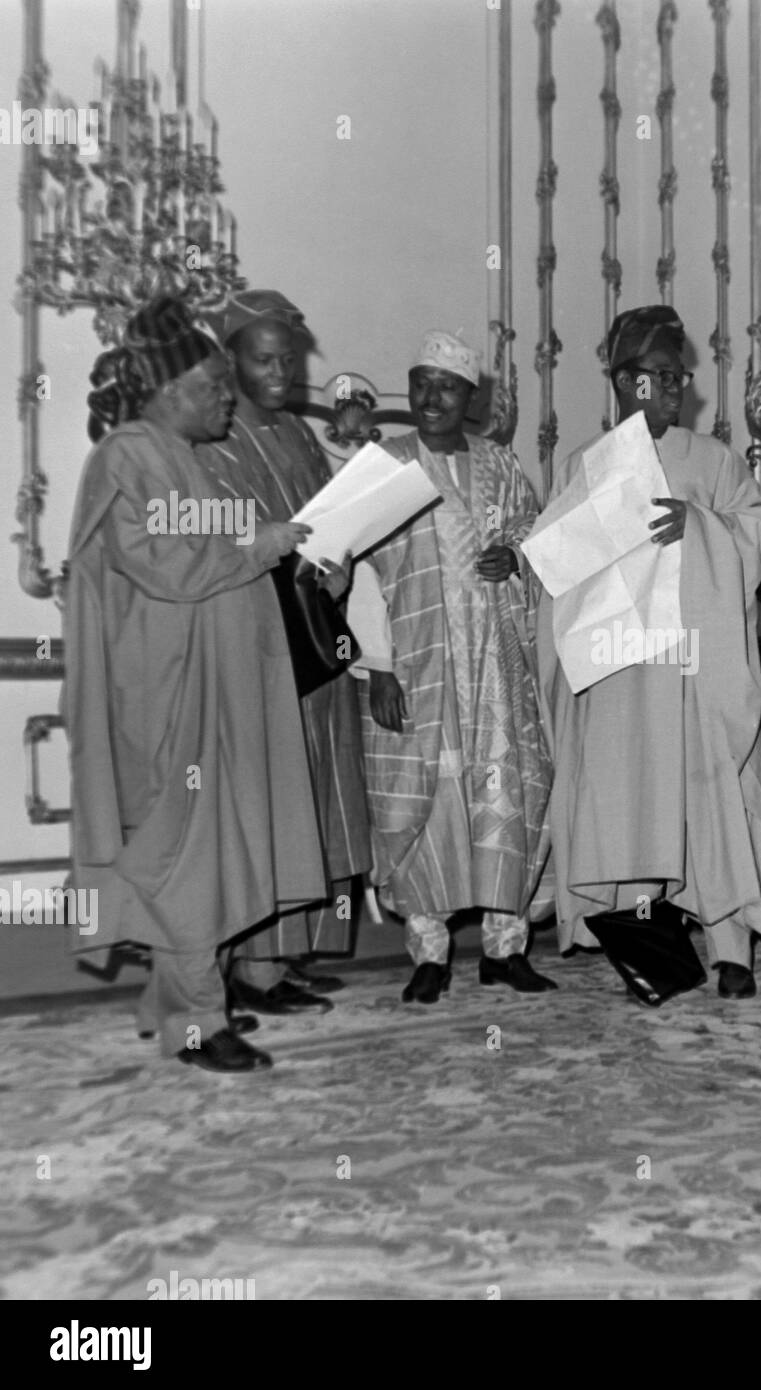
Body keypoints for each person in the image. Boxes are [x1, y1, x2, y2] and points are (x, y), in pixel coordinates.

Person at [64, 296, 327, 1073]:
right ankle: (194, 1023)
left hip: (211, 689)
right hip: (166, 695)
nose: (225, 397)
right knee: (182, 858)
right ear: (168, 387)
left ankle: (184, 1007)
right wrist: (265, 543)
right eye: (214, 383)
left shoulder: (191, 459)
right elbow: (168, 565)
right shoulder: (127, 455)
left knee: (203, 854)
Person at [538, 305, 761, 1002]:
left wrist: (697, 527)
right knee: (634, 802)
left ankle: (733, 947)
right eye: (660, 374)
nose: (676, 386)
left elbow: (756, 533)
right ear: (622, 380)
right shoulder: (584, 464)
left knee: (711, 798)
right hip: (619, 670)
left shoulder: (711, 460)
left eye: (679, 374)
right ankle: (650, 945)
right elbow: (556, 565)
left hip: (694, 666)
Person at [347, 330, 554, 1003]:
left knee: (504, 801)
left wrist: (516, 560)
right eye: (421, 382)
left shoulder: (499, 466)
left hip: (494, 672)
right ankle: (429, 952)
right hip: (417, 667)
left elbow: (532, 533)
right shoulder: (383, 464)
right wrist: (376, 664)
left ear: (471, 397)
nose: (431, 396)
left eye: (447, 385)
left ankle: (504, 947)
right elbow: (357, 570)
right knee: (423, 805)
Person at [196, 289, 372, 1016]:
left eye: (288, 361)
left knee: (318, 799)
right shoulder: (211, 439)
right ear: (230, 359)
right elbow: (208, 546)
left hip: (314, 640)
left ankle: (287, 955)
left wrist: (338, 566)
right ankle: (252, 967)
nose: (278, 374)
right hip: (258, 646)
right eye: (262, 360)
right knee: (269, 804)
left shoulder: (300, 436)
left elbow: (327, 523)